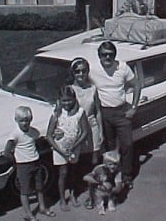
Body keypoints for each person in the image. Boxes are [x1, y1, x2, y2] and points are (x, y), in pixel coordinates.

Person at [89, 41, 141, 190]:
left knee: (127, 145)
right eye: (104, 54)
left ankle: (126, 176)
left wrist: (134, 107)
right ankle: (109, 176)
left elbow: (136, 85)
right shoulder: (93, 69)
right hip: (104, 113)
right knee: (109, 147)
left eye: (110, 54)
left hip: (121, 112)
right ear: (99, 56)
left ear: (115, 55)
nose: (107, 57)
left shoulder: (123, 67)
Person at [3, 106, 56, 221]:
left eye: (27, 120)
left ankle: (42, 207)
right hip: (23, 165)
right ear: (16, 120)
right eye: (21, 120)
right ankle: (28, 213)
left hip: (36, 162)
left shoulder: (33, 131)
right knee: (25, 191)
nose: (25, 123)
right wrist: (16, 163)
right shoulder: (14, 135)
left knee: (39, 187)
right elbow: (6, 152)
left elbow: (37, 142)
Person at [46, 85, 89, 212]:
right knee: (63, 173)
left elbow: (85, 132)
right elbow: (49, 135)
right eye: (63, 100)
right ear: (59, 100)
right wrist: (59, 150)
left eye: (69, 100)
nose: (66, 103)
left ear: (74, 99)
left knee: (73, 172)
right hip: (59, 149)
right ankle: (62, 199)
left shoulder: (80, 112)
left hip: (74, 149)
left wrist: (74, 146)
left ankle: (73, 194)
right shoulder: (56, 114)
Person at [70, 57, 104, 209]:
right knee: (75, 164)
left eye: (84, 71)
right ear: (73, 73)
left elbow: (97, 111)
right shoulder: (70, 90)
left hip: (92, 128)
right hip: (76, 129)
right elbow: (61, 111)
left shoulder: (93, 89)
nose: (81, 74)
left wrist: (101, 131)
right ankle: (73, 192)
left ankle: (91, 194)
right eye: (77, 71)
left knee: (92, 162)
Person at [83, 150, 123, 215]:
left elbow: (118, 188)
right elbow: (85, 177)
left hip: (110, 188)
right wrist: (100, 183)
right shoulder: (98, 168)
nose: (113, 166)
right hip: (99, 187)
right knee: (90, 182)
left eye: (115, 164)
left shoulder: (118, 171)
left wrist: (109, 189)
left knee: (118, 187)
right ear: (105, 164)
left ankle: (111, 199)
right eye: (110, 164)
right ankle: (94, 199)